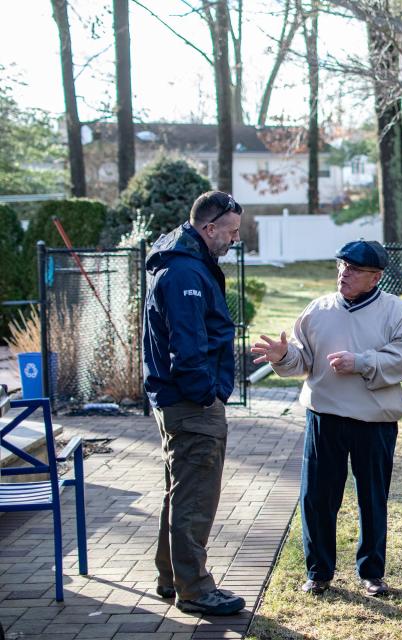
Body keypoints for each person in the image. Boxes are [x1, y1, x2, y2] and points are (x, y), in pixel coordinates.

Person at [251, 240, 402, 598]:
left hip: (374, 421)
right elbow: (302, 362)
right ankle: (318, 572)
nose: (344, 273)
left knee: (372, 498)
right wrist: (283, 357)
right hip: (323, 416)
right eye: (342, 265)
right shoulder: (318, 310)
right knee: (317, 497)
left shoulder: (396, 312)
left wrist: (362, 362)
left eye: (355, 269)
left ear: (375, 278)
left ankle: (372, 572)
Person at [142, 191, 246, 616]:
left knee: (180, 490)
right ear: (208, 229)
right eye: (232, 231)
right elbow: (187, 347)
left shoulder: (184, 263)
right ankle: (195, 589)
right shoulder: (185, 273)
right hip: (190, 404)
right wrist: (207, 395)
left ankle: (172, 578)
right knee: (195, 497)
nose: (235, 239)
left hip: (176, 400)